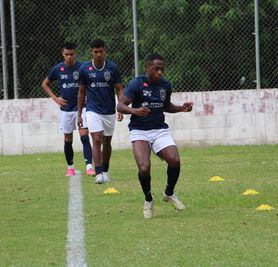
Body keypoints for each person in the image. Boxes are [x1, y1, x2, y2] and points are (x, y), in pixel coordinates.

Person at [117, 53, 193, 219]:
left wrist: (181, 108)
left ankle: (169, 193)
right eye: (156, 69)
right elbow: (120, 105)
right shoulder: (136, 84)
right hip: (139, 130)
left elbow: (166, 106)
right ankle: (148, 199)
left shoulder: (165, 86)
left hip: (159, 129)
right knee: (144, 168)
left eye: (162, 69)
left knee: (175, 160)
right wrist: (134, 111)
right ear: (148, 67)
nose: (160, 72)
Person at [42, 42, 95, 177]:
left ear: (75, 54)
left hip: (81, 108)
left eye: (71, 54)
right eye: (67, 54)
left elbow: (90, 83)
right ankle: (70, 167)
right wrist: (56, 98)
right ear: (63, 54)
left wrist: (89, 96)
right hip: (66, 110)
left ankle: (89, 166)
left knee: (84, 135)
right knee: (67, 139)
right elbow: (45, 84)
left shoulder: (82, 68)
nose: (69, 57)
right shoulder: (58, 69)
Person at [77, 39, 124, 184]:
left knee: (107, 141)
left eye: (101, 51)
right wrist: (79, 114)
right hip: (92, 110)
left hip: (109, 111)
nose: (98, 54)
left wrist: (120, 107)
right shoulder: (85, 69)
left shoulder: (112, 68)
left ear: (105, 51)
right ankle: (98, 174)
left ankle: (105, 171)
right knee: (96, 139)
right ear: (92, 52)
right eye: (95, 52)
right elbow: (81, 92)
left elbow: (119, 89)